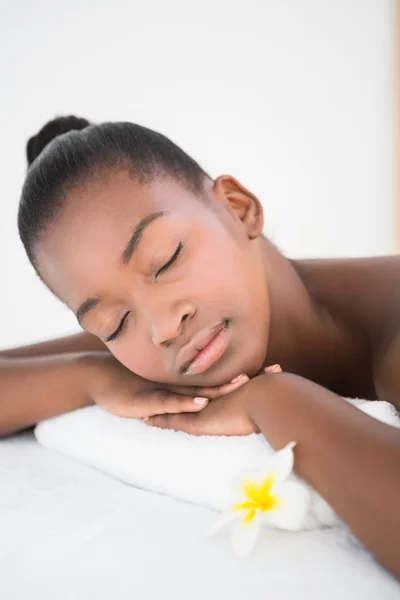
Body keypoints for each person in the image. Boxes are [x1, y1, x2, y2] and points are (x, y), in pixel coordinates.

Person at [2, 116, 400, 578]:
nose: (162, 327)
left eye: (166, 261)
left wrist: (277, 399)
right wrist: (93, 377)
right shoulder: (154, 345)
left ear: (238, 208)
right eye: (113, 324)